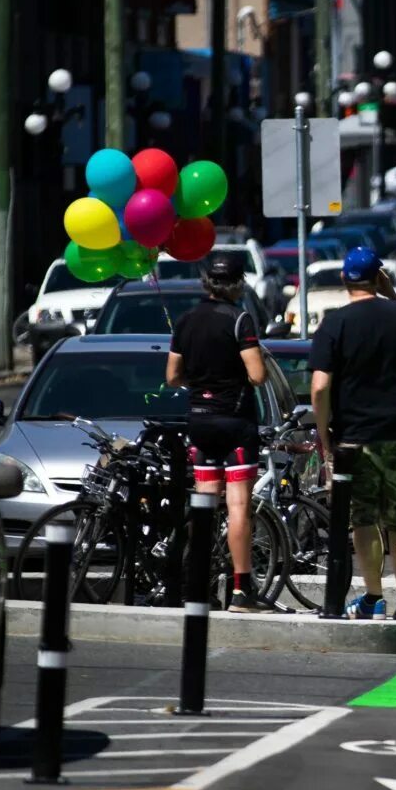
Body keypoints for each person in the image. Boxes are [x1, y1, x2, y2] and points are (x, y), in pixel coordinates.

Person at [309, 247, 396, 620]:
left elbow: (319, 386)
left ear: (344, 279)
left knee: (363, 519)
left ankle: (373, 597)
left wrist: (324, 437)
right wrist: (391, 293)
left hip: (355, 436)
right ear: (379, 277)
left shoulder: (335, 323)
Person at [166, 251, 271, 613]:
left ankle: (200, 584)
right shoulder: (240, 319)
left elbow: (171, 376)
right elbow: (257, 375)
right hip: (234, 420)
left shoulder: (185, 321)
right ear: (239, 284)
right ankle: (242, 590)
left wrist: (200, 380)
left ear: (205, 281)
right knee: (238, 505)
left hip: (199, 420)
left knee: (203, 506)